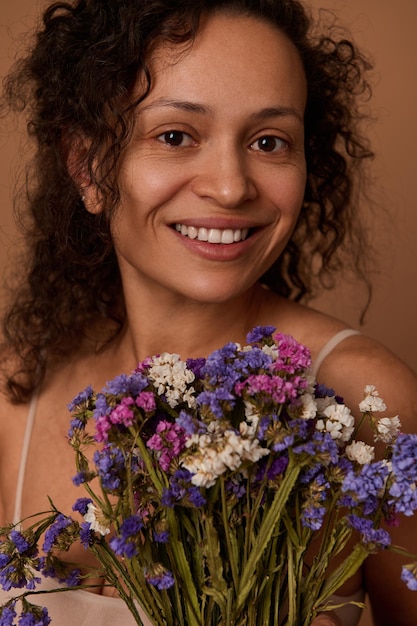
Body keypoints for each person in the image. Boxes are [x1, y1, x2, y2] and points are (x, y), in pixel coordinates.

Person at [0, 0, 416, 624]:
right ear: (87, 166)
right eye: (175, 136)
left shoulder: (367, 395)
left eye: (269, 141)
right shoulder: (17, 390)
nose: (230, 186)